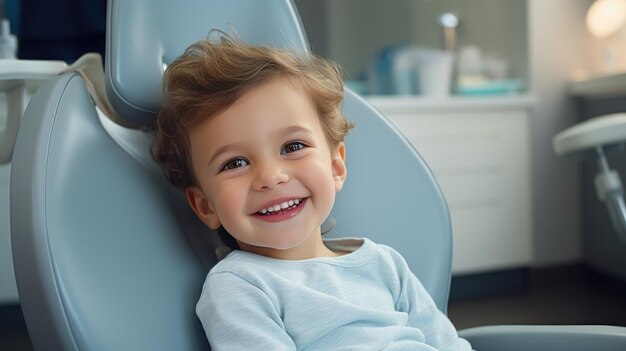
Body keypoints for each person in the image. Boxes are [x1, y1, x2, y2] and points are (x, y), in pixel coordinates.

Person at [151, 33, 472, 350]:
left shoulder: (384, 263)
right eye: (235, 163)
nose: (271, 176)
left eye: (293, 146)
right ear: (205, 205)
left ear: (336, 167)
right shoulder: (240, 286)